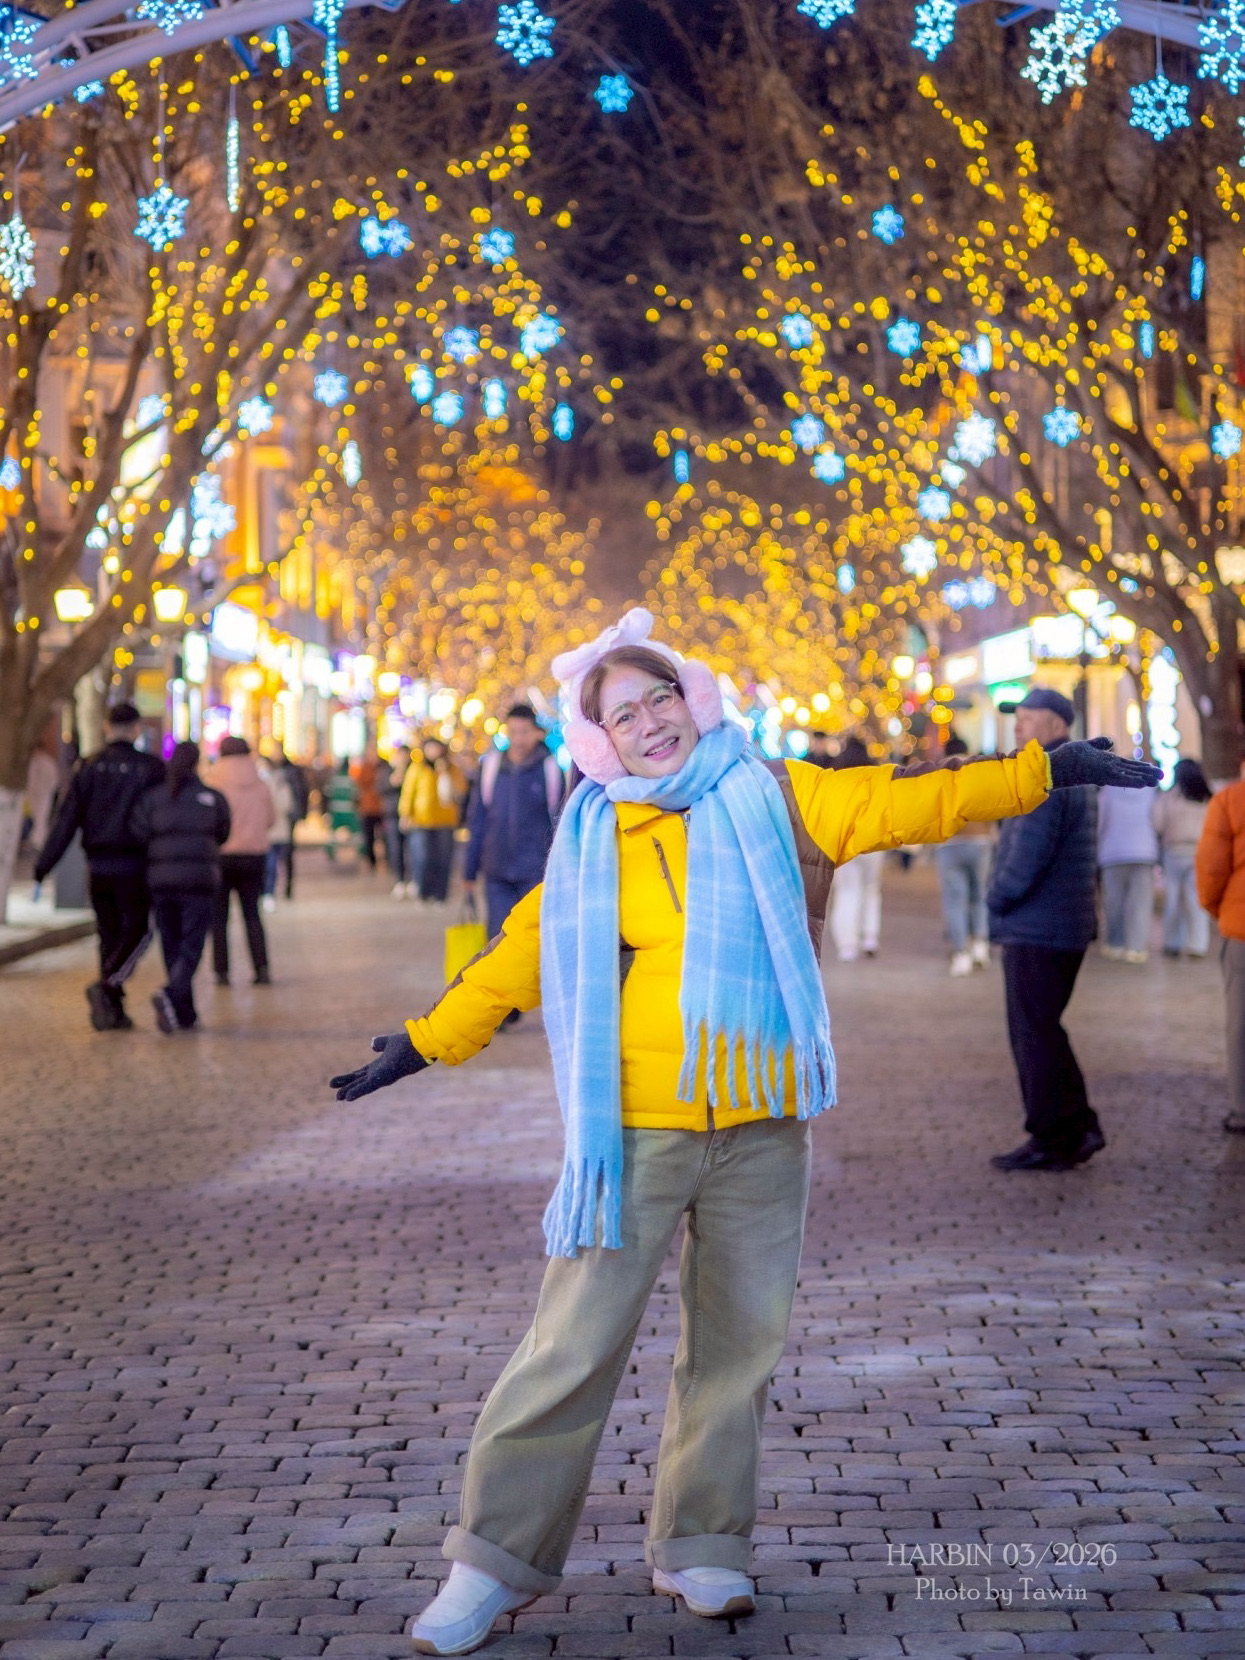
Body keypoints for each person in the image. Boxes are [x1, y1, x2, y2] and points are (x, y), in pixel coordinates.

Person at [328, 608, 1157, 1657]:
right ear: (603, 742)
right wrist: (422, 1040)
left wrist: (1040, 769)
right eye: (623, 714)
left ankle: (702, 1541)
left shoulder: (780, 795)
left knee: (737, 1348)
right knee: (570, 1348)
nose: (648, 721)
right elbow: (515, 954)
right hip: (637, 1130)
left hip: (765, 1125)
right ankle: (489, 1563)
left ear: (691, 697)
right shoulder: (597, 841)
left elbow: (915, 798)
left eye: (658, 696)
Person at [988, 687, 1159, 1172]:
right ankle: (1076, 1125)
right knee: (1045, 1029)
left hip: (1037, 926)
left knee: (1033, 1034)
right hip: (1059, 925)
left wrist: (996, 897)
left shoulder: (1050, 776)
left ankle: (1054, 1136)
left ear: (1057, 725)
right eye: (1017, 717)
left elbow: (1026, 856)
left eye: (1028, 717)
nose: (1019, 725)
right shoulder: (1069, 774)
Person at [34, 701, 164, 1031]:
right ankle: (107, 989)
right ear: (136, 729)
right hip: (135, 866)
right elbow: (162, 817)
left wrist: (44, 864)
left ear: (107, 727)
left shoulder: (89, 767)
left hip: (99, 867)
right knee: (138, 931)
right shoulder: (150, 768)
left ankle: (112, 1010)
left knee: (108, 935)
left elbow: (66, 820)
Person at [129, 741, 231, 1032]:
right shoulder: (210, 797)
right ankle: (173, 994)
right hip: (199, 881)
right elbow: (223, 831)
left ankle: (184, 1011)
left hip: (161, 881)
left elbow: (139, 831)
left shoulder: (154, 798)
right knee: (192, 945)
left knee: (171, 942)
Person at [463, 700, 563, 940]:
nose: (518, 740)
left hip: (536, 873)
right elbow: (477, 820)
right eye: (513, 732)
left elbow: (560, 824)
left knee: (532, 941)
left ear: (535, 732)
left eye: (524, 732)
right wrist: (469, 871)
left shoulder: (549, 769)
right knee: (498, 939)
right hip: (496, 871)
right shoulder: (491, 767)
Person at [1196, 763, 1245, 1133]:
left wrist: (1218, 909)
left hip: (1241, 929)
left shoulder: (1231, 800)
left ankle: (1242, 1108)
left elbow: (1212, 869)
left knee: (1241, 1024)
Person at [205, 736, 276, 986]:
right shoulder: (260, 784)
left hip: (221, 857)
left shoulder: (213, 783)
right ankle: (261, 968)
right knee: (252, 914)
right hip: (254, 856)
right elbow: (270, 819)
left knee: (219, 917)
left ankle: (221, 971)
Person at [934, 733, 994, 975]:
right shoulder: (980, 770)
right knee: (980, 895)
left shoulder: (940, 773)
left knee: (954, 900)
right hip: (980, 841)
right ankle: (981, 944)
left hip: (949, 844)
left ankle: (960, 954)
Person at [827, 735, 884, 961]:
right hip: (872, 841)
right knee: (871, 890)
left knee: (847, 892)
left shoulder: (836, 775)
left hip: (845, 840)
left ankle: (847, 945)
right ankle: (870, 936)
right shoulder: (875, 774)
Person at [1153, 759, 1213, 959]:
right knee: (1196, 900)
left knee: (1172, 899)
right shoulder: (1206, 797)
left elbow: (1157, 823)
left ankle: (1172, 943)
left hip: (1173, 851)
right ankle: (1198, 945)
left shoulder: (1170, 796)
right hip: (1199, 852)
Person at [1097, 778, 1159, 962]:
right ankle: (1136, 948)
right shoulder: (1150, 790)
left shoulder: (1107, 790)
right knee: (1140, 903)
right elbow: (1156, 820)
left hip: (1112, 852)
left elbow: (1100, 822)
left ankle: (1114, 944)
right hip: (1144, 852)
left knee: (1113, 902)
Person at [400, 737, 467, 903]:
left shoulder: (452, 769)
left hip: (445, 821)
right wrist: (405, 813)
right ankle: (423, 892)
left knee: (443, 859)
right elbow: (408, 792)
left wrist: (445, 773)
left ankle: (440, 894)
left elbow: (461, 791)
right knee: (422, 857)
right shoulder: (417, 768)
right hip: (421, 821)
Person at [259, 751, 297, 914]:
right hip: (268, 831)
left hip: (276, 830)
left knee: (274, 862)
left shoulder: (279, 783)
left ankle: (273, 891)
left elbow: (286, 805)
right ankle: (268, 891)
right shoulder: (264, 784)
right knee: (271, 862)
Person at [379, 744, 412, 897]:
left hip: (411, 816)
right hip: (392, 815)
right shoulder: (387, 770)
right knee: (395, 848)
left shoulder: (413, 771)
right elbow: (379, 788)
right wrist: (392, 782)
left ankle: (412, 880)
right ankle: (399, 880)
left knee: (412, 849)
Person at [351, 744, 385, 870]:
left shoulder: (383, 767)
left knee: (383, 835)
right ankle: (371, 860)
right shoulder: (365, 768)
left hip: (381, 807)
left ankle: (386, 858)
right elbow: (359, 783)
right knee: (368, 836)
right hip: (367, 808)